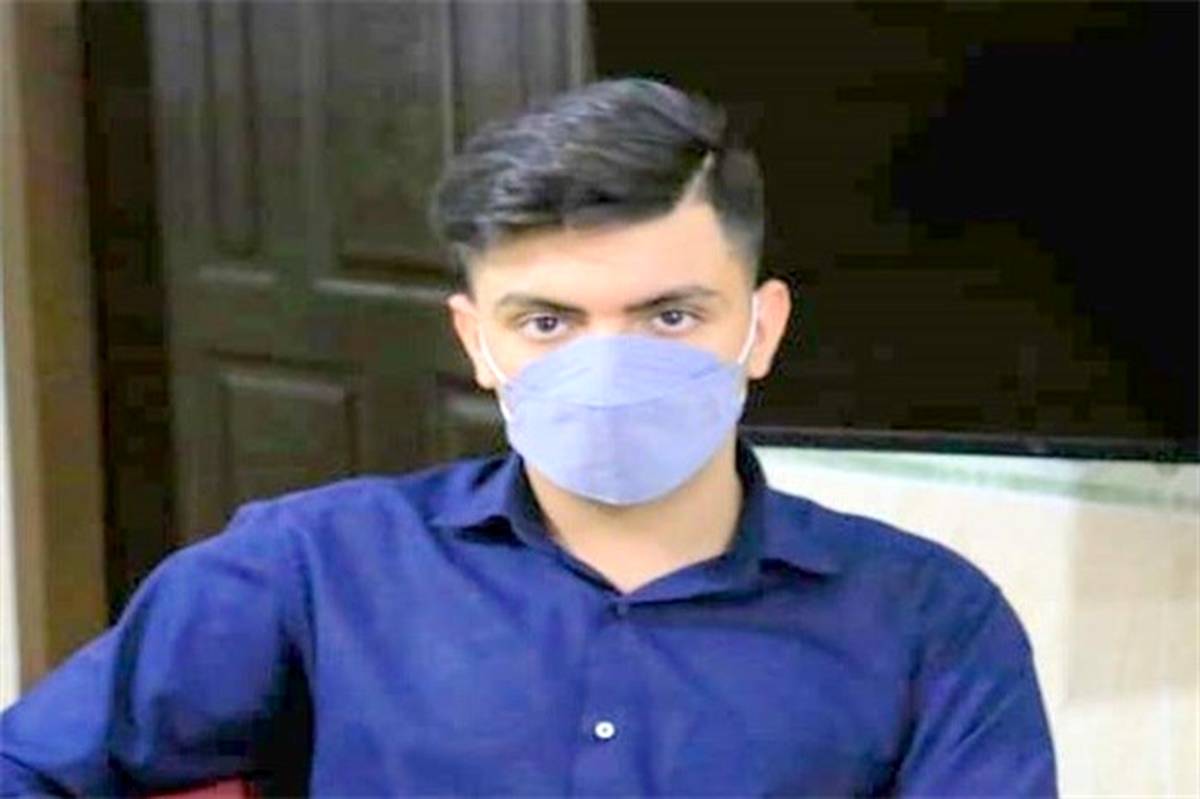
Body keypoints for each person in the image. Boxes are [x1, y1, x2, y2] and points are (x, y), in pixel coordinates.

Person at [0, 77, 1056, 797]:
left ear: (762, 327)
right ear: (476, 340)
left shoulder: (929, 619)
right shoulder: (310, 567)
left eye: (670, 315)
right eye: (547, 322)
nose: (610, 363)